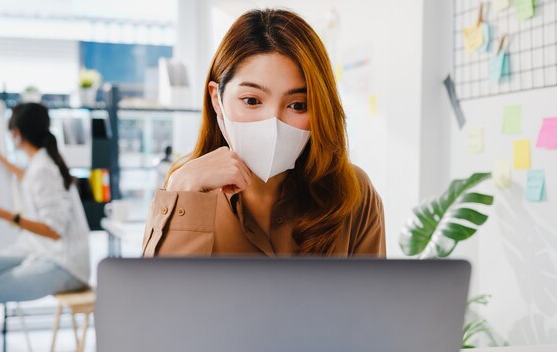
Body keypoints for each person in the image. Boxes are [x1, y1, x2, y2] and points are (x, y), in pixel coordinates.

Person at [141, 8, 385, 257]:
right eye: (251, 101)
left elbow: (374, 295)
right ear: (217, 100)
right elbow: (157, 294)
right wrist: (182, 190)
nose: (273, 123)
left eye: (297, 105)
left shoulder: (353, 193)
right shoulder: (185, 187)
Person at [0, 103, 91, 352]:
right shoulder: (41, 163)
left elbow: (54, 230)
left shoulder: (44, 170)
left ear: (16, 134)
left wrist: (6, 215)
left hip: (64, 265)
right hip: (42, 253)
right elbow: (28, 178)